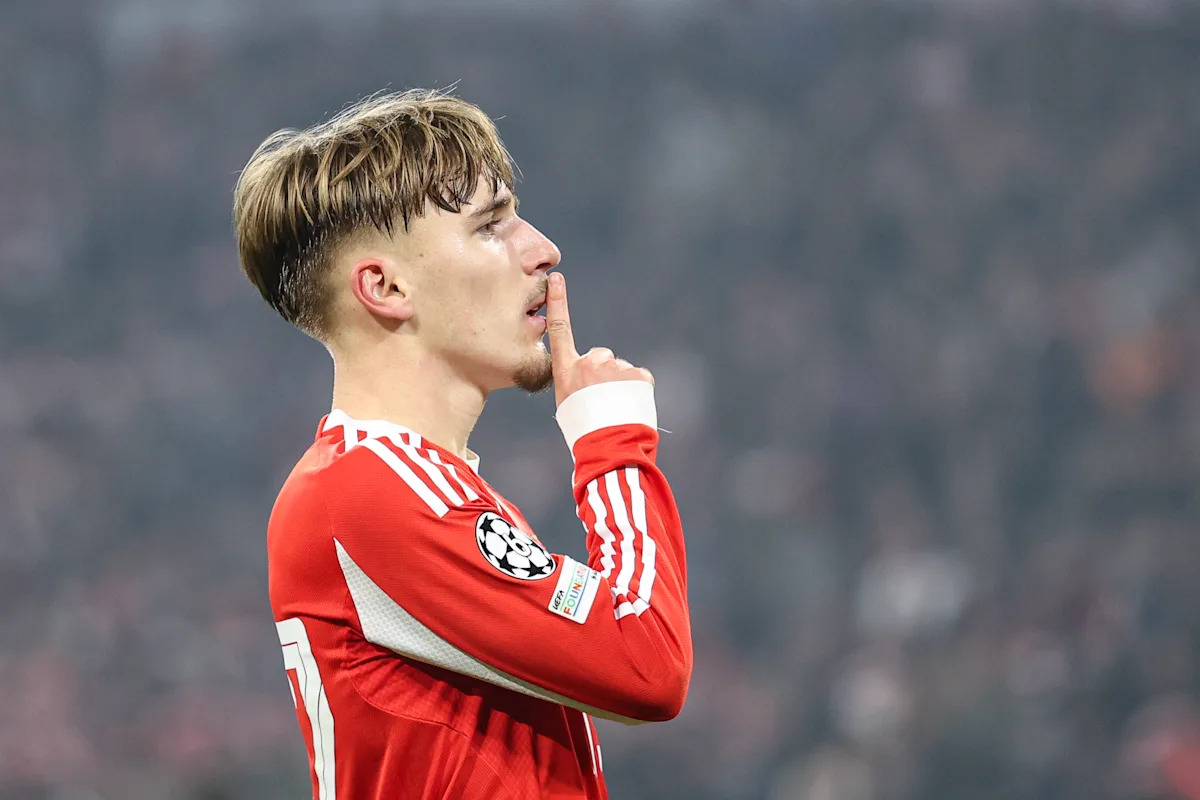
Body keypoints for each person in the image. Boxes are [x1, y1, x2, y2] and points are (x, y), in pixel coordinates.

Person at [231, 89, 693, 800]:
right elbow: (647, 662)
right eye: (491, 226)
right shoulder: (364, 492)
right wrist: (613, 446)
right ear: (385, 286)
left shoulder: (417, 489)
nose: (543, 249)